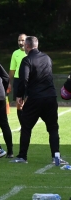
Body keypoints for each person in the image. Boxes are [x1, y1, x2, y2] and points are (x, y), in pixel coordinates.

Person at [10, 36, 69, 164]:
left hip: (36, 97)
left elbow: (23, 80)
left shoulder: (27, 60)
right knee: (53, 128)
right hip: (50, 97)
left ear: (27, 46)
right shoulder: (47, 58)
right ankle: (56, 156)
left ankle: (22, 156)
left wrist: (19, 96)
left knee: (26, 126)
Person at [8, 33, 27, 128]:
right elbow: (12, 69)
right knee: (19, 104)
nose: (20, 42)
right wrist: (8, 82)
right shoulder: (15, 53)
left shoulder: (31, 52)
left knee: (28, 103)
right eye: (19, 40)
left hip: (29, 80)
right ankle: (23, 126)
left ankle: (27, 124)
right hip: (18, 80)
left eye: (22, 40)